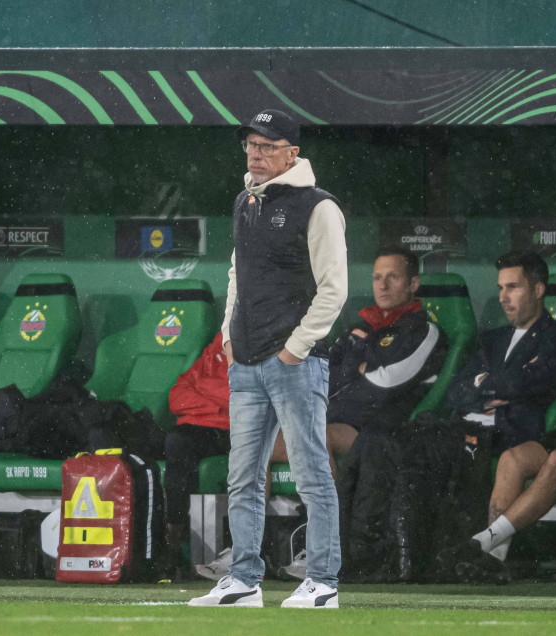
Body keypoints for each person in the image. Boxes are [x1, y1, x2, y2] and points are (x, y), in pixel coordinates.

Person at [189, 108, 347, 609]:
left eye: (267, 146)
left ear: (292, 153)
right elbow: (237, 272)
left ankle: (322, 581)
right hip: (247, 363)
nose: (255, 154)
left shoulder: (319, 206)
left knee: (311, 473)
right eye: (251, 146)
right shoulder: (244, 201)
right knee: (242, 477)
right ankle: (243, 580)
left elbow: (334, 289)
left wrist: (294, 349)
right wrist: (228, 337)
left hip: (295, 365)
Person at [435, 251, 556, 583]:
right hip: (470, 426)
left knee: (488, 453)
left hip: (515, 430)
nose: (503, 297)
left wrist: (486, 384)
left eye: (513, 287)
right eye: (501, 288)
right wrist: (496, 386)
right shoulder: (491, 340)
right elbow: (457, 391)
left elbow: (530, 385)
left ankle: (489, 557)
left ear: (538, 289)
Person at [326, 246, 449, 477]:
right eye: (377, 277)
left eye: (392, 277)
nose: (382, 285)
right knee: (263, 443)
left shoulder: (424, 331)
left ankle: (331, 513)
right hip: (336, 418)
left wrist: (349, 373)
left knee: (317, 440)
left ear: (413, 284)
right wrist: (358, 370)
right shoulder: (360, 328)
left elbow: (386, 385)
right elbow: (322, 375)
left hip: (379, 433)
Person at [162, 332, 231, 580]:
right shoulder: (215, 346)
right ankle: (173, 532)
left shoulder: (257, 340)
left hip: (228, 431)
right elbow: (176, 396)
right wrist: (215, 405)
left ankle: (174, 535)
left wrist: (203, 392)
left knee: (179, 444)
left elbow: (241, 398)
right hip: (197, 426)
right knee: (174, 441)